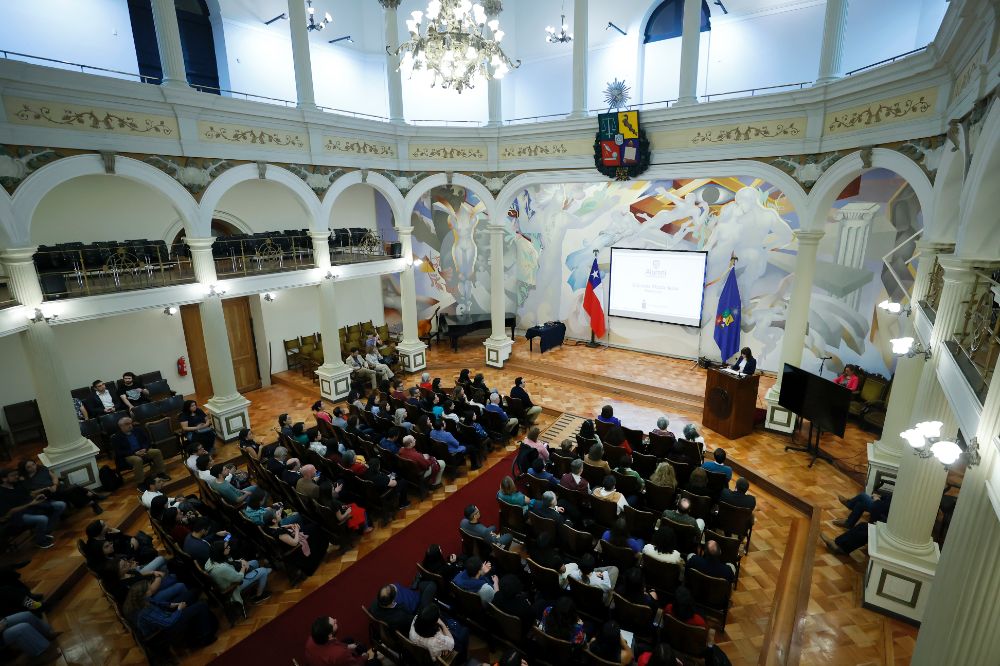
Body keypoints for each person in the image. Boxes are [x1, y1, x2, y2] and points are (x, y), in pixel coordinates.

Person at [123, 579, 218, 649]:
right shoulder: (144, 612)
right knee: (201, 605)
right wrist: (179, 609)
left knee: (192, 594)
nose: (151, 589)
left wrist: (173, 605)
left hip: (165, 617)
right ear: (143, 593)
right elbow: (168, 623)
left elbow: (159, 604)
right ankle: (206, 637)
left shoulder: (142, 600)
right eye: (149, 588)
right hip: (164, 631)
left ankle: (198, 626)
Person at [0, 468, 65, 549]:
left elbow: (29, 495)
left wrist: (37, 497)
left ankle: (45, 531)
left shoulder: (18, 485)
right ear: (4, 479)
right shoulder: (1, 493)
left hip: (30, 507)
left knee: (60, 505)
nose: (17, 476)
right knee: (42, 519)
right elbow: (9, 512)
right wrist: (30, 504)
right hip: (17, 515)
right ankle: (40, 541)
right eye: (13, 475)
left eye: (16, 474)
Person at [18, 458, 106, 515]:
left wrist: (55, 485)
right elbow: (31, 493)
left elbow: (54, 477)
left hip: (57, 488)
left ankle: (92, 502)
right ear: (25, 469)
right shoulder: (25, 479)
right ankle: (92, 495)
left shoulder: (42, 469)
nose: (33, 467)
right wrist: (46, 488)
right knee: (74, 488)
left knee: (72, 491)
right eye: (29, 467)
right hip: (46, 494)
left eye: (33, 464)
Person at [204, 540, 271, 606]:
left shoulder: (213, 558)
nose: (229, 547)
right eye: (227, 547)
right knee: (263, 571)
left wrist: (241, 561)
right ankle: (258, 597)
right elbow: (239, 578)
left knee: (254, 562)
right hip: (235, 587)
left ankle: (256, 582)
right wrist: (243, 567)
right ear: (221, 551)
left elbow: (230, 562)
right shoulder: (221, 568)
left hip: (233, 575)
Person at [110, 416, 168, 485]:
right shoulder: (116, 437)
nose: (130, 425)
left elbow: (147, 441)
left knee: (157, 452)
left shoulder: (138, 430)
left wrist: (145, 449)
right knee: (137, 460)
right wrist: (134, 453)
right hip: (129, 455)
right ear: (121, 426)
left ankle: (160, 473)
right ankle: (141, 482)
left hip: (142, 451)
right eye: (127, 424)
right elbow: (119, 452)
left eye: (130, 423)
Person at [369, 581, 437, 634]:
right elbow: (416, 621)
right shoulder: (400, 617)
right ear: (393, 600)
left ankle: (417, 583)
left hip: (403, 621)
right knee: (431, 586)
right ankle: (418, 583)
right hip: (415, 617)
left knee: (426, 586)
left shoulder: (373, 606)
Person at [304, 616, 372, 666]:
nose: (336, 620)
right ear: (330, 635)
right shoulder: (340, 654)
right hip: (342, 659)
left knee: (349, 640)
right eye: (334, 623)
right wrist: (364, 657)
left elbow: (332, 644)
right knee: (375, 662)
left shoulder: (311, 640)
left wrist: (347, 646)